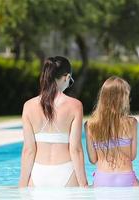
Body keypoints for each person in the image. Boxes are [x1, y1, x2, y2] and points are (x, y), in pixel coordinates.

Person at [19, 56, 88, 187]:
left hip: (37, 172)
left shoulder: (28, 106)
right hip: (66, 172)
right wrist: (84, 184)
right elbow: (76, 150)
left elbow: (29, 150)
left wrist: (22, 185)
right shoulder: (75, 105)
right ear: (67, 77)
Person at [85, 76, 139, 187]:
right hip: (126, 176)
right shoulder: (132, 123)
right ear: (121, 98)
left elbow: (93, 159)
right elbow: (132, 156)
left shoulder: (90, 125)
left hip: (103, 178)